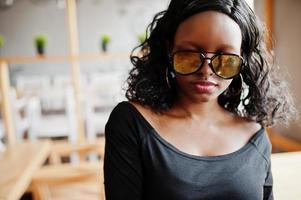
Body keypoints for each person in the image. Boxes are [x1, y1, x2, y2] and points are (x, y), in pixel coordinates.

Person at [104, 0, 295, 199]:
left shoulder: (255, 136)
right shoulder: (133, 123)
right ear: (170, 50)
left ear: (242, 60)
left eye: (225, 58)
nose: (206, 70)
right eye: (190, 53)